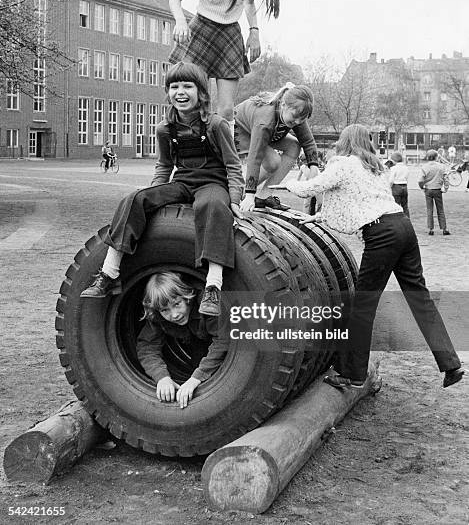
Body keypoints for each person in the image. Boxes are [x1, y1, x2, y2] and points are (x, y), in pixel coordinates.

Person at [286, 124, 464, 390]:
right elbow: (361, 201)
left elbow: (311, 188)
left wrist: (289, 182)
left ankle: (353, 375)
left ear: (345, 141)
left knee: (362, 307)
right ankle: (451, 364)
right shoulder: (376, 167)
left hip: (382, 235)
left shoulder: (344, 164)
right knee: (419, 298)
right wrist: (320, 216)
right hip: (403, 227)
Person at [80, 62, 244, 316]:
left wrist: (234, 200)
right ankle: (109, 272)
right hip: (182, 183)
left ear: (201, 92)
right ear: (167, 92)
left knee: (210, 206)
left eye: (187, 86)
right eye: (174, 86)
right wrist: (154, 196)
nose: (180, 92)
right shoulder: (165, 128)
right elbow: (165, 164)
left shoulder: (216, 125)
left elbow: (233, 165)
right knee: (134, 198)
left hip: (213, 183)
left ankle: (213, 286)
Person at [168, 0, 280, 127]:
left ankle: (224, 154)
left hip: (229, 36)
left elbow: (249, 2)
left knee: (226, 109)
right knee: (197, 103)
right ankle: (188, 148)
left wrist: (254, 32)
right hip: (200, 31)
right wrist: (181, 21)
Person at [137, 272, 228, 408]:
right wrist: (162, 377)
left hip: (224, 340)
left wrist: (196, 379)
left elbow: (224, 339)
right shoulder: (158, 316)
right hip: (195, 342)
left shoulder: (207, 302)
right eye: (164, 310)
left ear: (187, 297)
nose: (174, 314)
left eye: (177, 304)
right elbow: (147, 346)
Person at [234, 83, 319, 212]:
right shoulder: (265, 121)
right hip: (240, 130)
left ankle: (264, 196)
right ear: (283, 105)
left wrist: (314, 167)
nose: (297, 122)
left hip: (267, 133)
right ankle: (240, 191)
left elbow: (308, 140)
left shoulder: (296, 114)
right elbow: (255, 157)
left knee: (294, 146)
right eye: (295, 118)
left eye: (301, 119)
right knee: (272, 162)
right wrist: (250, 194)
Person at [418, 149, 450, 236]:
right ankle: (444, 228)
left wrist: (422, 187)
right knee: (440, 210)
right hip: (438, 189)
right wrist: (445, 188)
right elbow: (446, 179)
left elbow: (420, 180)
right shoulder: (441, 167)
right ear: (436, 157)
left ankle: (431, 229)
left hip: (428, 189)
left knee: (429, 209)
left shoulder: (424, 167)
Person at [388, 151, 410, 217]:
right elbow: (407, 177)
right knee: (405, 206)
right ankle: (407, 219)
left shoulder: (393, 168)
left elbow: (391, 180)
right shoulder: (406, 168)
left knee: (396, 206)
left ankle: (397, 220)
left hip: (396, 187)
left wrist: (389, 187)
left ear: (394, 160)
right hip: (404, 187)